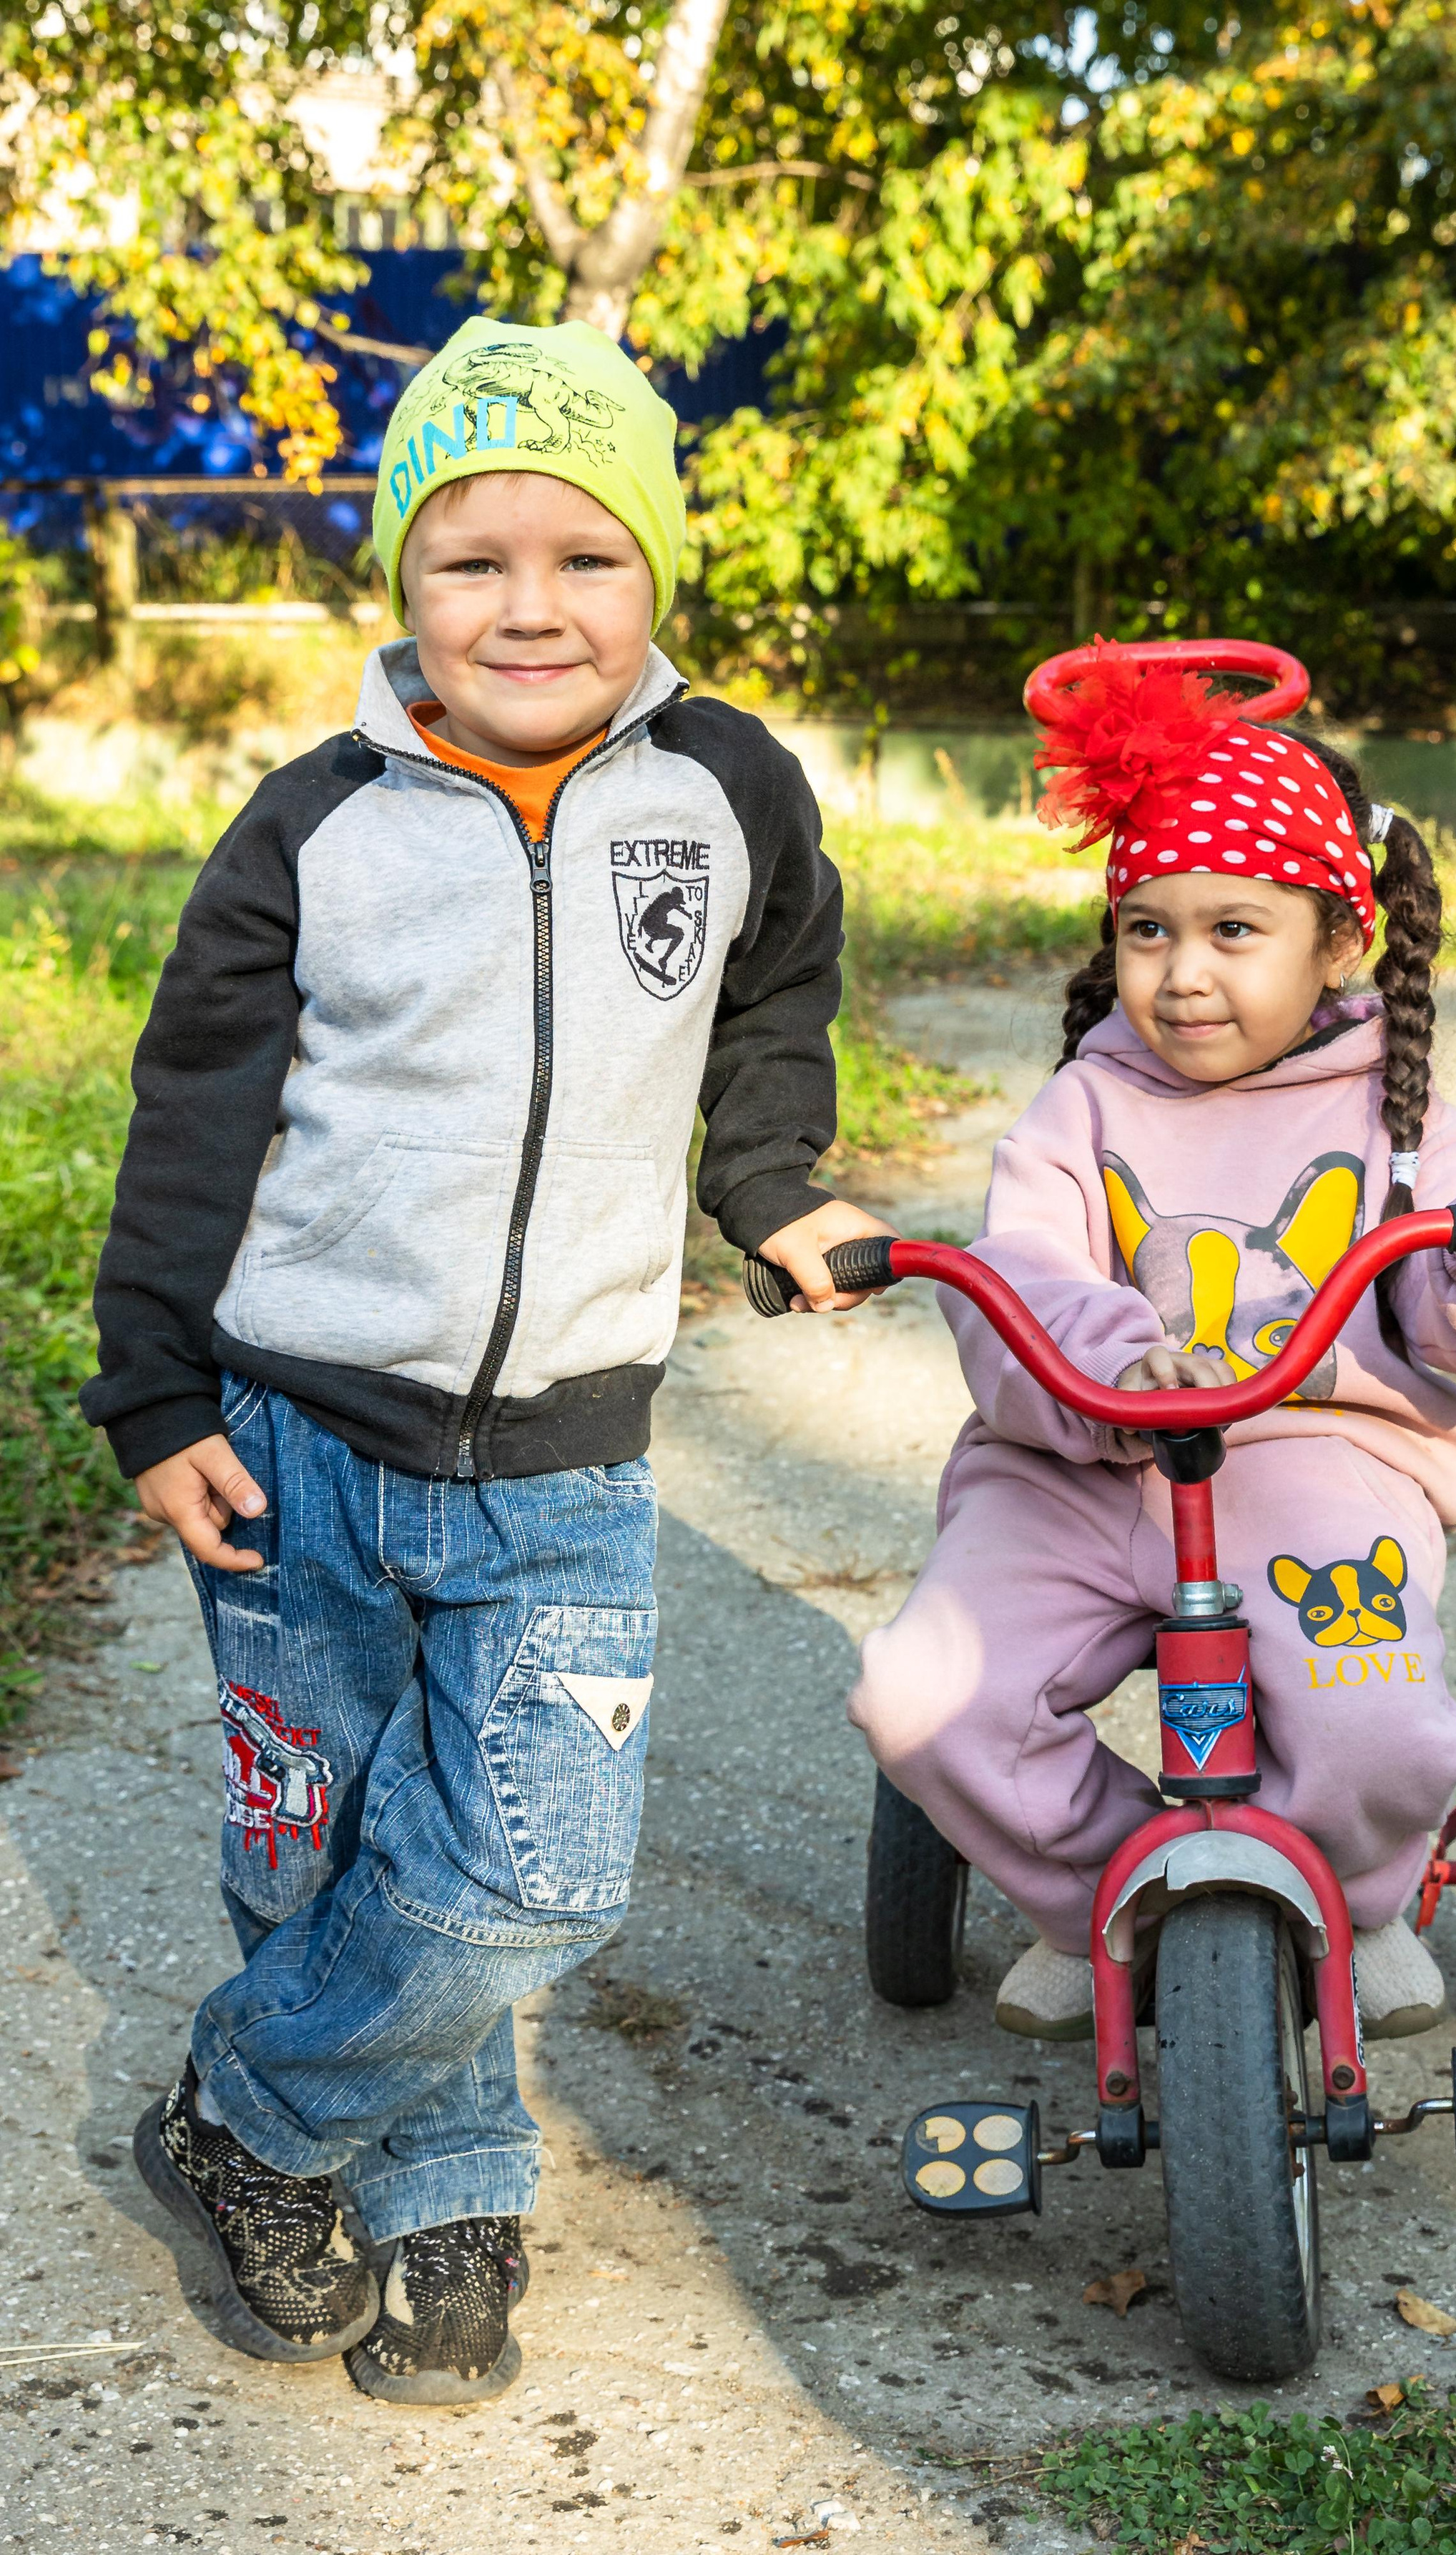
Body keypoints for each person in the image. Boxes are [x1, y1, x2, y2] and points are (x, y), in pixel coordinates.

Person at [81, 316, 885, 2405]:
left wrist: (771, 1176)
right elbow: (195, 1122)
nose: (529, 604)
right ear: (398, 586)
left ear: (660, 576)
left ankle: (246, 2115)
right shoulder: (317, 824)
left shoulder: (725, 792)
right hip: (296, 1437)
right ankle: (446, 2193)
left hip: (568, 1459)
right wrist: (156, 1394)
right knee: (325, 1841)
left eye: (584, 556)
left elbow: (774, 998)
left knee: (533, 1860)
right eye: (470, 559)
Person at [848, 645, 1456, 2044]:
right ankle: (1103, 1899)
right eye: (1147, 930)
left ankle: (1345, 1895)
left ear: (1335, 942)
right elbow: (1015, 1273)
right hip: (1075, 1462)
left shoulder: (1398, 1120)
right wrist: (1124, 1356)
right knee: (923, 1698)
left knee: (1377, 1726)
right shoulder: (1079, 1107)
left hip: (1310, 1463)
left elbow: (1448, 1310)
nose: (1182, 974)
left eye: (1231, 932)